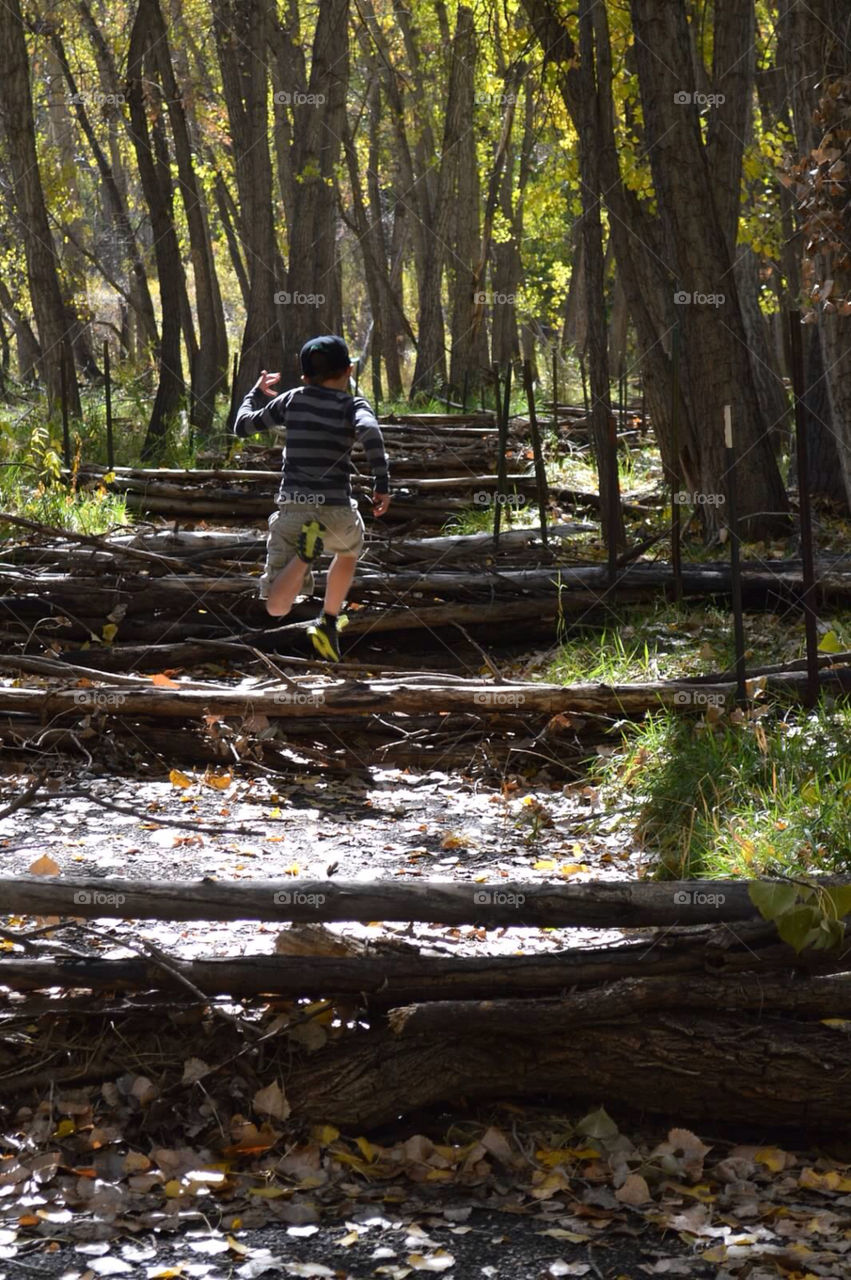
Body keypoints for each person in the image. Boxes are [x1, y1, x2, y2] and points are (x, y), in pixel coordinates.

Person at [233, 335, 390, 661]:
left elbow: (243, 427)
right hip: (337, 509)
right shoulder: (353, 405)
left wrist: (255, 393)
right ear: (348, 370)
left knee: (276, 607)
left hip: (295, 508)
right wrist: (381, 482)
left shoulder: (292, 400)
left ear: (304, 376)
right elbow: (371, 432)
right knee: (348, 552)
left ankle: (305, 556)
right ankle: (329, 620)